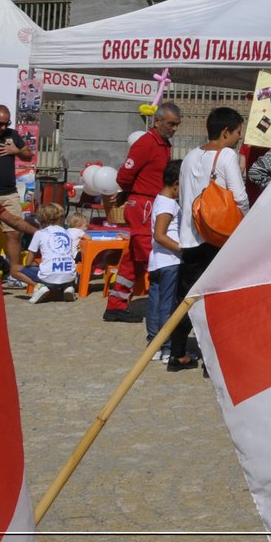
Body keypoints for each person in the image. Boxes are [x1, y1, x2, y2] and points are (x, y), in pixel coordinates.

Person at [168, 107, 250, 373]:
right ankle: (212, 361)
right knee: (217, 300)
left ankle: (177, 353)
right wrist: (245, 223)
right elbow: (240, 197)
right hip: (218, 239)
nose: (239, 137)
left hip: (190, 238)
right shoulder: (227, 155)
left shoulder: (190, 156)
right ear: (226, 132)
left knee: (187, 298)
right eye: (238, 132)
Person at [106, 101, 182, 323]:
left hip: (149, 204)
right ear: (157, 121)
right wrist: (130, 192)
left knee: (133, 260)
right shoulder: (146, 143)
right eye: (170, 124)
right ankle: (165, 305)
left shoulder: (162, 143)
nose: (174, 129)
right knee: (154, 256)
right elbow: (124, 176)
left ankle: (116, 305)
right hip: (144, 207)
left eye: (177, 125)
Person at [0, 105, 36, 289]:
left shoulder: (12, 134)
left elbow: (28, 154)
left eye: (5, 123)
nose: (2, 127)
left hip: (9, 193)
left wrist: (16, 151)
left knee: (14, 233)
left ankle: (14, 273)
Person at [145, 160, 183, 363]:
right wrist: (182, 250)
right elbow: (160, 235)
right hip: (169, 261)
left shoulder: (160, 200)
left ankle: (154, 343)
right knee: (166, 306)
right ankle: (166, 346)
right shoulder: (168, 204)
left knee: (156, 304)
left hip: (158, 261)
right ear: (176, 183)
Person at [26, 202, 86, 304]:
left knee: (16, 269)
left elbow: (28, 261)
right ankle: (67, 287)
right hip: (69, 276)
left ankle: (41, 286)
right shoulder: (67, 232)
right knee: (60, 267)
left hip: (48, 278)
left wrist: (35, 264)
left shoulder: (39, 233)